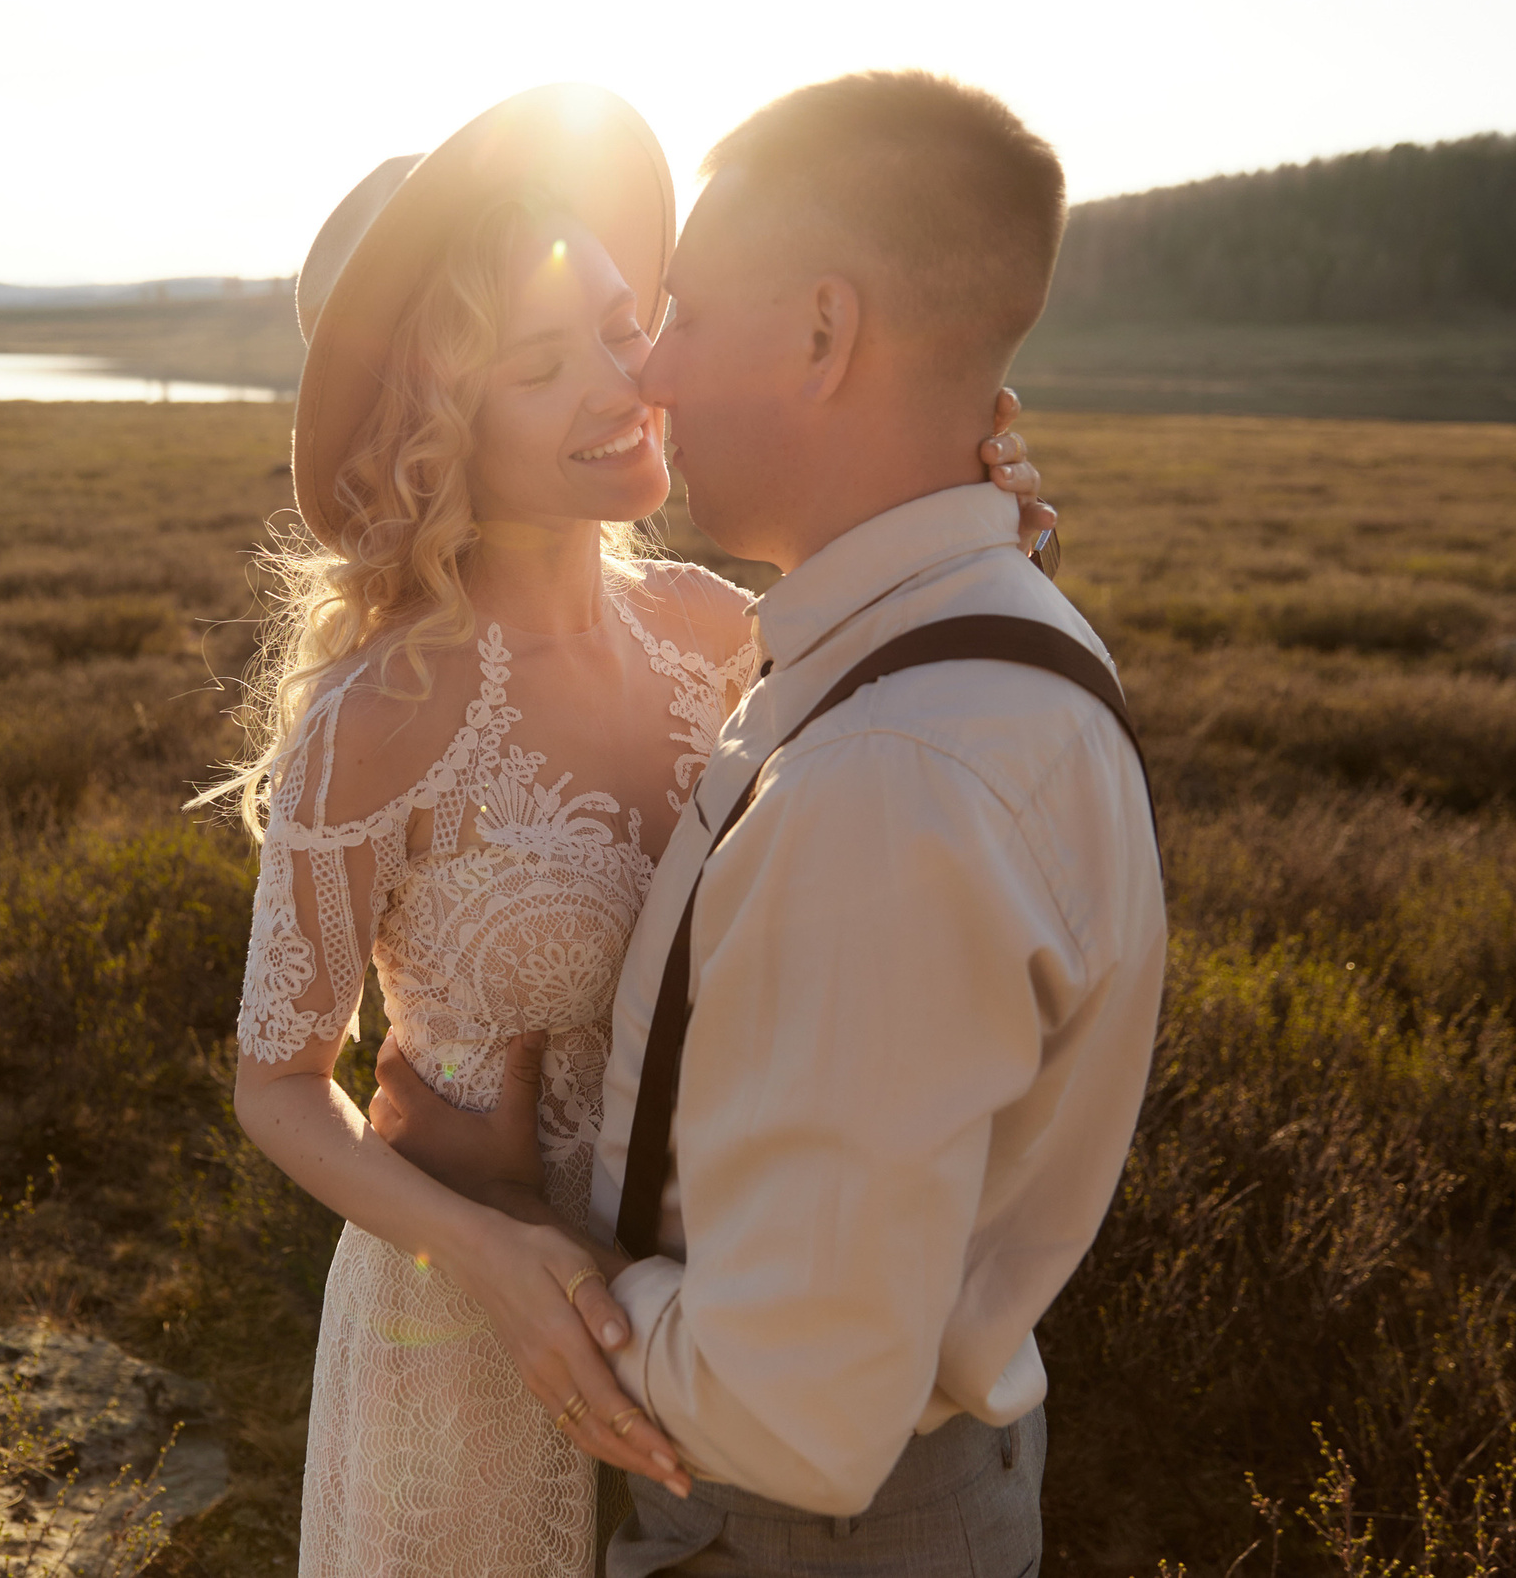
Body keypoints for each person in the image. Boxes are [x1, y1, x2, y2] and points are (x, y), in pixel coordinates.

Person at [199, 84, 1057, 1578]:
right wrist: (487, 1256)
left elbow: (915, 770)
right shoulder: (377, 716)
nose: (626, 380)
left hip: (710, 1329)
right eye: (544, 364)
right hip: (464, 1344)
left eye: (623, 323)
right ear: (436, 426)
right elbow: (278, 1080)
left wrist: (984, 537)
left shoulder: (721, 632)